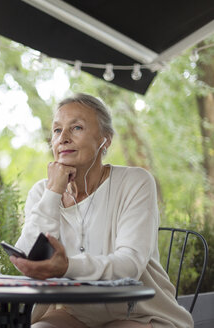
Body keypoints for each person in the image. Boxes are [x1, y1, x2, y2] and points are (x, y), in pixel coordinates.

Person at [11, 94, 193, 328]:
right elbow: (27, 257)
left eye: (76, 127)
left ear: (104, 140)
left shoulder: (135, 182)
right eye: (57, 131)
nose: (63, 138)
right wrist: (54, 190)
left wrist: (67, 267)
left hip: (138, 313)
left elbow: (129, 266)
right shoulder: (42, 192)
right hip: (75, 314)